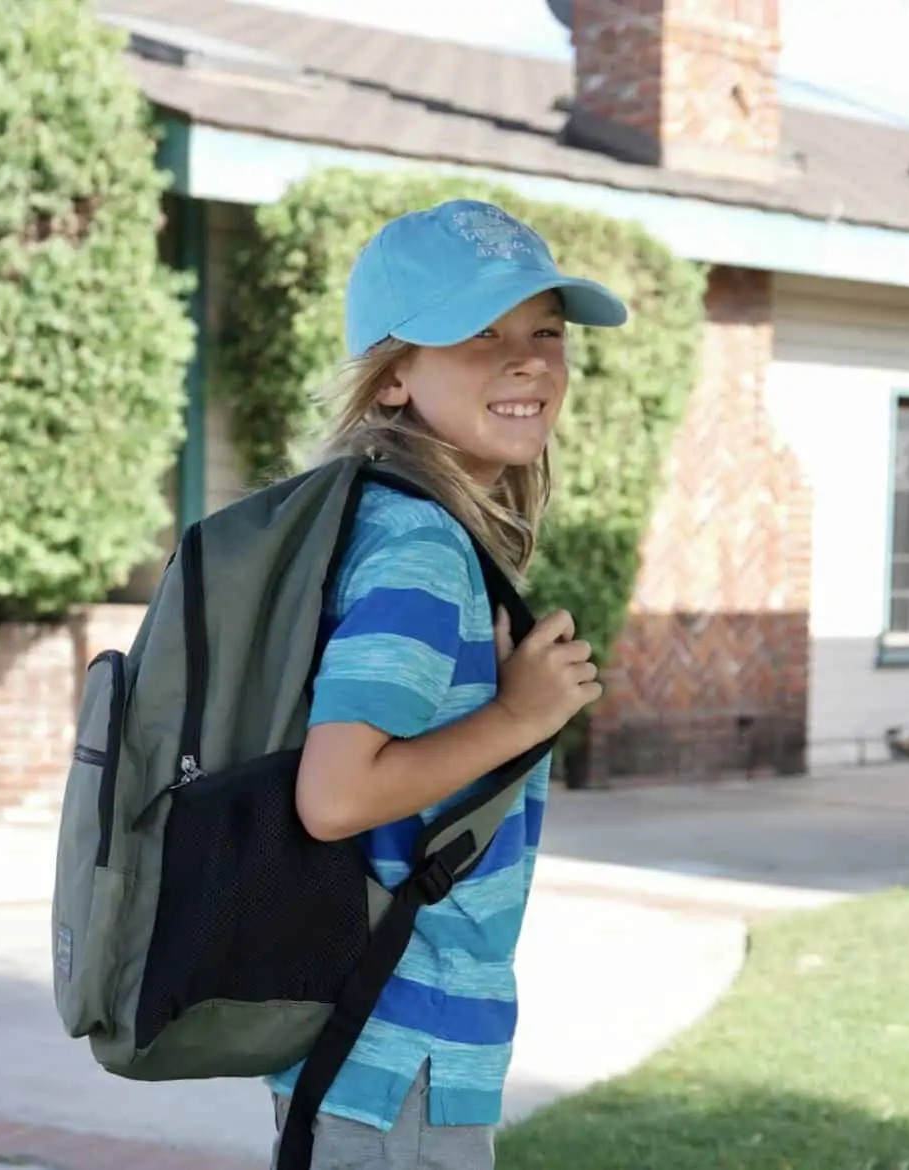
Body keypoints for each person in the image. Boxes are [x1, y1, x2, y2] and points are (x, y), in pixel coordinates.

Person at [266, 199, 628, 1170]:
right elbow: (337, 794)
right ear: (390, 379)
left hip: (370, 1036)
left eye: (545, 328)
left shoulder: (380, 520)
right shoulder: (421, 548)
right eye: (480, 332)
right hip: (398, 1049)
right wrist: (520, 713)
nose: (529, 359)